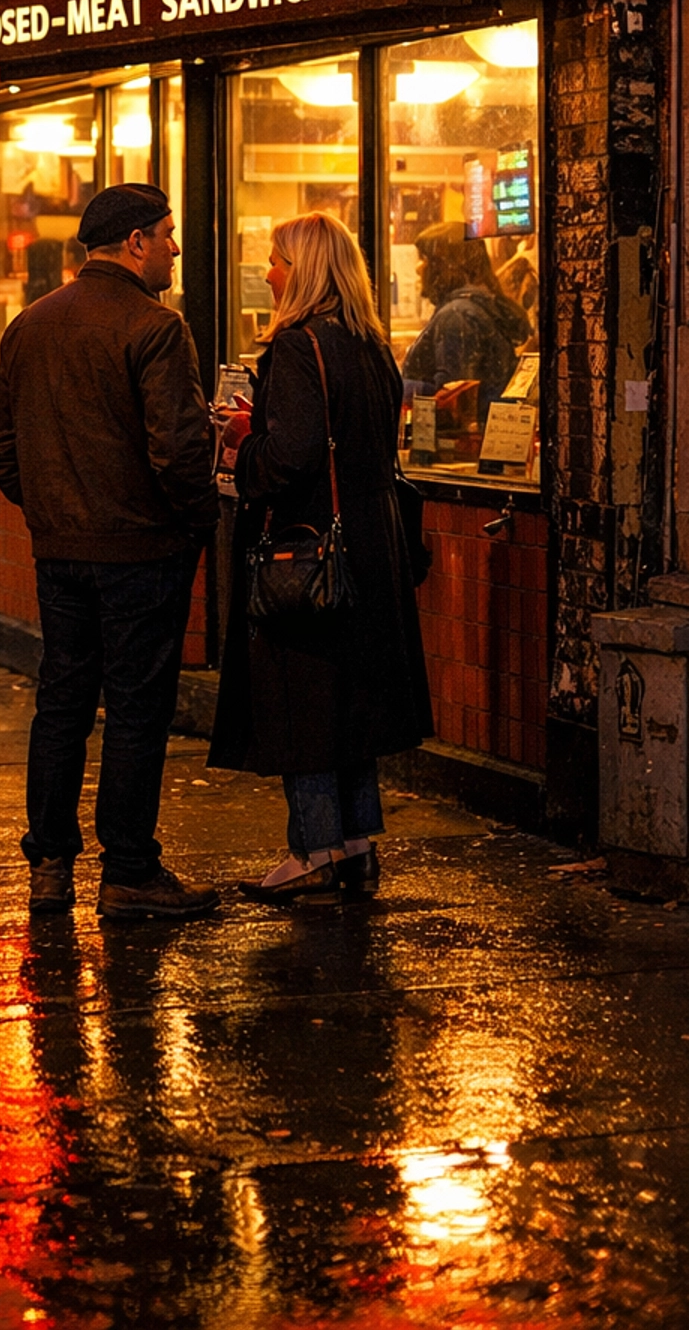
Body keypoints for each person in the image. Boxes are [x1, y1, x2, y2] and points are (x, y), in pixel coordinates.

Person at [0, 182, 220, 922]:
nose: (177, 250)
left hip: (61, 553)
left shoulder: (30, 324)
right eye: (169, 234)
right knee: (137, 710)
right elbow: (179, 449)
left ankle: (50, 865)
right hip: (141, 551)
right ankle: (129, 871)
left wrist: (51, 510)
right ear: (137, 242)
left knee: (62, 704)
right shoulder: (154, 326)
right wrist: (195, 521)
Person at [209, 210, 434, 902]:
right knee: (351, 705)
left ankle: (314, 849)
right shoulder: (370, 346)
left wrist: (244, 441)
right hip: (370, 548)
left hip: (308, 553)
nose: (269, 272)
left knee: (302, 703)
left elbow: (294, 456)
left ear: (303, 271)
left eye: (277, 260)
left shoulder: (300, 347)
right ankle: (358, 844)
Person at [402, 223, 531, 412]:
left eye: (426, 259)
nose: (418, 268)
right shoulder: (473, 308)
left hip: (459, 439)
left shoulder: (457, 316)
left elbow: (454, 395)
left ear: (444, 266)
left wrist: (399, 387)